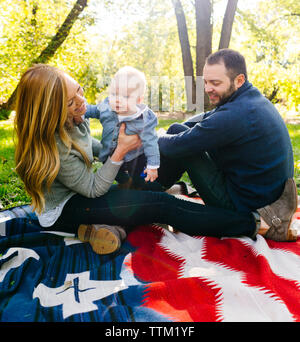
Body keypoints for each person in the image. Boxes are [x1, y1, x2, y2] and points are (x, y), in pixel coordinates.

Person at [14, 63, 264, 255]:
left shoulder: (74, 119)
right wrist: (121, 152)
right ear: (52, 112)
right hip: (70, 209)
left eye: (78, 90)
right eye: (71, 102)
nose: (81, 101)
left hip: (89, 191)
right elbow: (93, 189)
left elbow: (93, 147)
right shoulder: (54, 147)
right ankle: (251, 223)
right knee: (160, 204)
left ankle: (110, 227)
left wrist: (136, 147)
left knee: (166, 157)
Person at [158, 49, 298, 242]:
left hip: (247, 208)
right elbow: (204, 120)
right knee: (177, 129)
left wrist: (155, 136)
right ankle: (154, 188)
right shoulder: (249, 100)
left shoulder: (237, 114)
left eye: (215, 83)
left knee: (175, 137)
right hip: (261, 195)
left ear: (239, 80)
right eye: (206, 82)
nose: (207, 88)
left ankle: (148, 192)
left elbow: (174, 147)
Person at [84, 66, 160, 188]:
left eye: (125, 96)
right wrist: (77, 111)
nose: (118, 100)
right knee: (111, 170)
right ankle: (125, 182)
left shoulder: (144, 118)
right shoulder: (106, 107)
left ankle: (144, 187)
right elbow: (91, 110)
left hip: (135, 157)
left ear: (139, 100)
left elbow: (151, 143)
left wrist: (153, 165)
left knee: (139, 179)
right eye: (114, 94)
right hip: (109, 154)